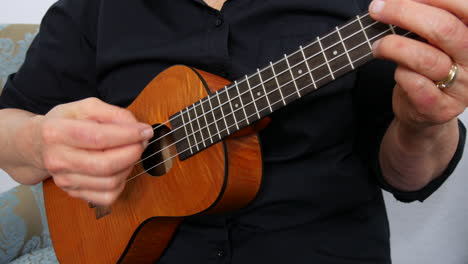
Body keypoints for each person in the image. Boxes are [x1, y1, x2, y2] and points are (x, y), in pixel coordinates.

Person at [0, 0, 466, 263]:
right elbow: (10, 124)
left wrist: (422, 125)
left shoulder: (372, 9)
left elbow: (407, 176)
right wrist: (39, 141)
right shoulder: (93, 8)